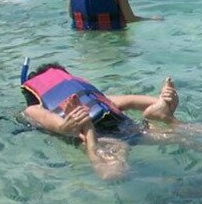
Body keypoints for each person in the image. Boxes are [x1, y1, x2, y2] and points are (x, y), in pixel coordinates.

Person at [20, 63, 185, 180]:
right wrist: (164, 104)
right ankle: (166, 118)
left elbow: (60, 126)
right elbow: (134, 101)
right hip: (125, 126)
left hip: (97, 137)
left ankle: (89, 133)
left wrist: (76, 124)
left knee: (112, 172)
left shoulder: (32, 109)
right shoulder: (101, 100)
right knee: (179, 136)